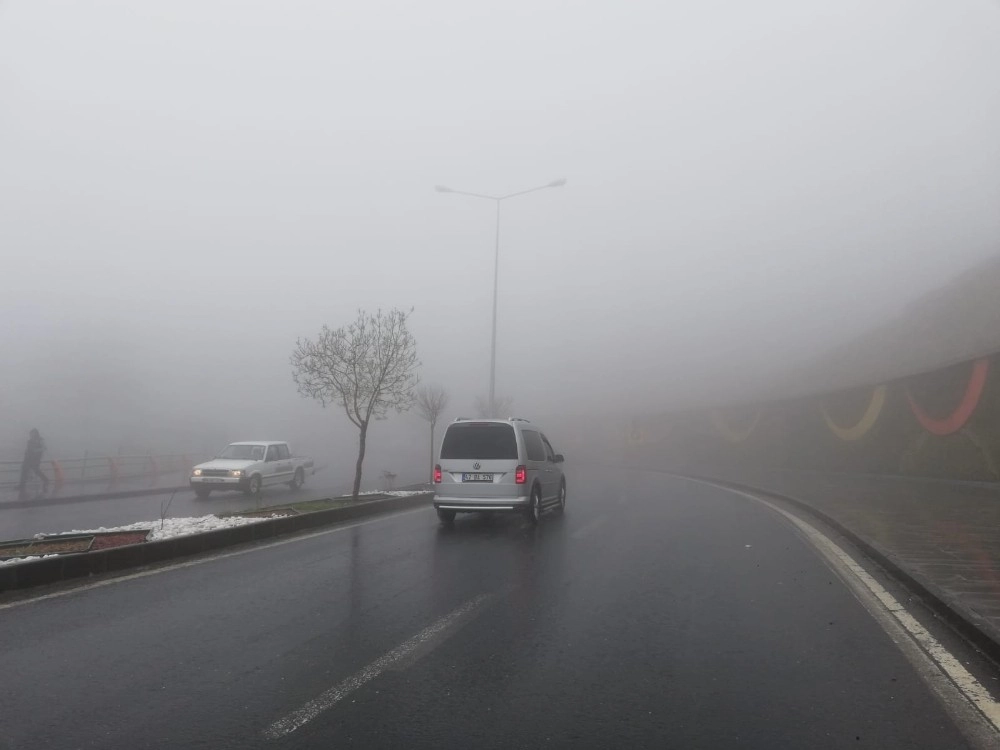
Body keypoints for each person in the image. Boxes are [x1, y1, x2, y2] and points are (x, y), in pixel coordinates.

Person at [18, 428, 49, 499]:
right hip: (28, 459)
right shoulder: (30, 441)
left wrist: (36, 450)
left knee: (36, 470)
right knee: (24, 470)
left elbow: (44, 448)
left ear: (36, 433)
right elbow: (28, 449)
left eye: (33, 433)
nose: (31, 435)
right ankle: (22, 485)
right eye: (31, 434)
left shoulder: (40, 440)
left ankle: (46, 480)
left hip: (35, 459)